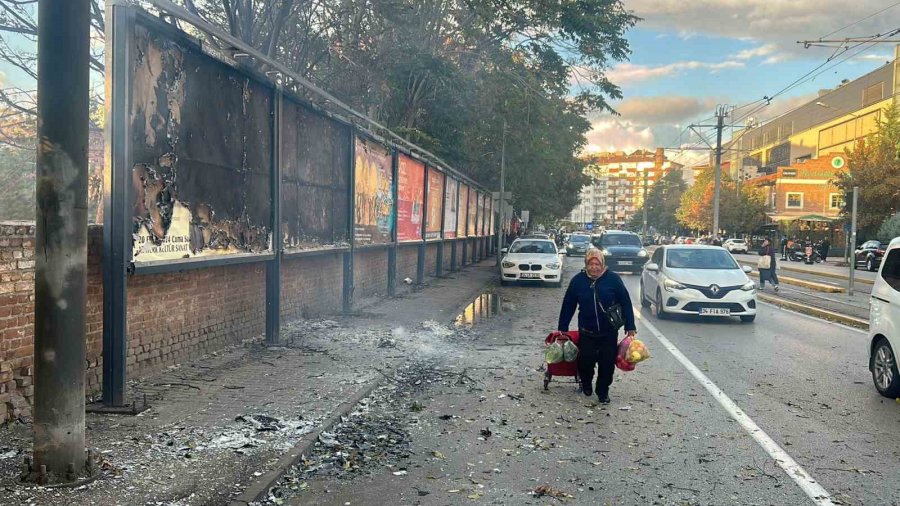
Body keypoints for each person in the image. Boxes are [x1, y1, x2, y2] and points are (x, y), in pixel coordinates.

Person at [557, 249, 636, 404]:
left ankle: (603, 391)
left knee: (607, 365)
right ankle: (586, 382)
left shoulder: (613, 279)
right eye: (591, 264)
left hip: (609, 332)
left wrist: (630, 325)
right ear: (586, 264)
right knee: (585, 361)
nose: (594, 267)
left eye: (597, 264)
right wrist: (563, 327)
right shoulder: (578, 281)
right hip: (587, 330)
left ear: (603, 264)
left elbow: (625, 302)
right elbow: (568, 304)